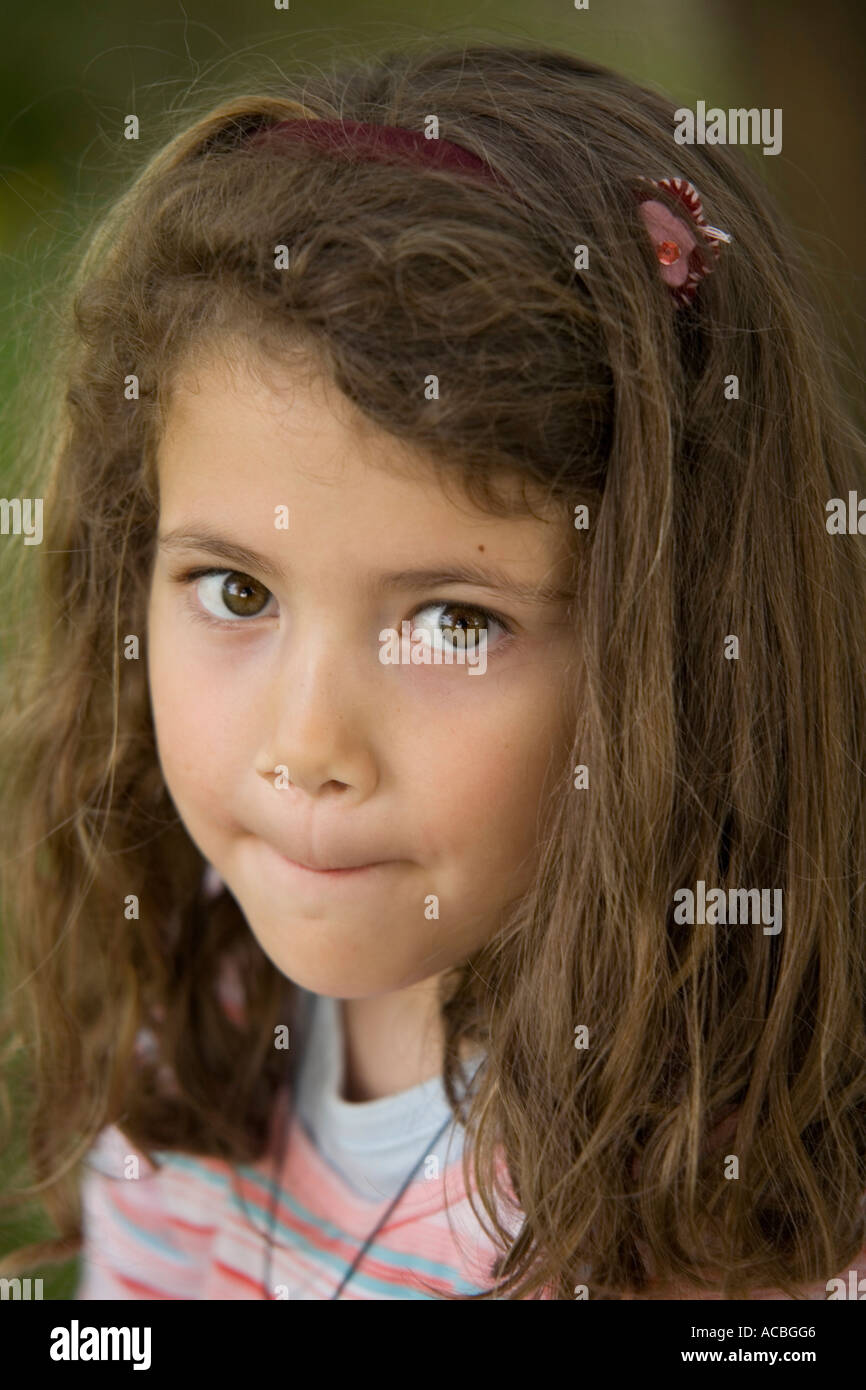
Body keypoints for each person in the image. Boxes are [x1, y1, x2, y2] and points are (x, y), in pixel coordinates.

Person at [1, 41, 865, 1301]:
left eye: (453, 624)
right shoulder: (204, 1036)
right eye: (235, 592)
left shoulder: (744, 1219)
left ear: (670, 661)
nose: (306, 746)